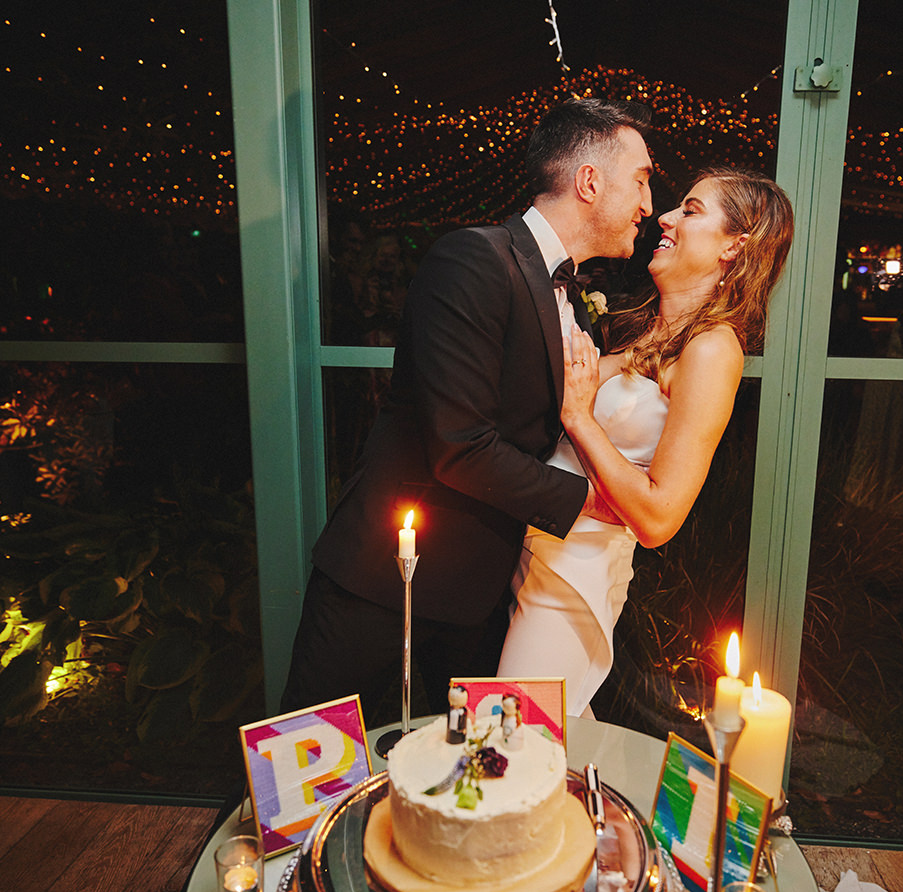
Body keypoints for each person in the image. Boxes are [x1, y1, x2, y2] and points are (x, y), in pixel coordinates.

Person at [279, 99, 655, 716]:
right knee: (311, 756)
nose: (647, 204)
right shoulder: (474, 259)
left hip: (481, 592)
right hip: (385, 578)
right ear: (589, 182)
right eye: (640, 180)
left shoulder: (572, 293)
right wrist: (596, 502)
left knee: (476, 764)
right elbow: (461, 447)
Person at [497, 167, 794, 717]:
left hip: (576, 576)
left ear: (734, 246)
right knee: (544, 738)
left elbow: (659, 518)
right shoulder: (646, 330)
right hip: (537, 549)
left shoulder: (713, 350)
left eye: (691, 210)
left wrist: (580, 418)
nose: (666, 217)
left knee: (514, 734)